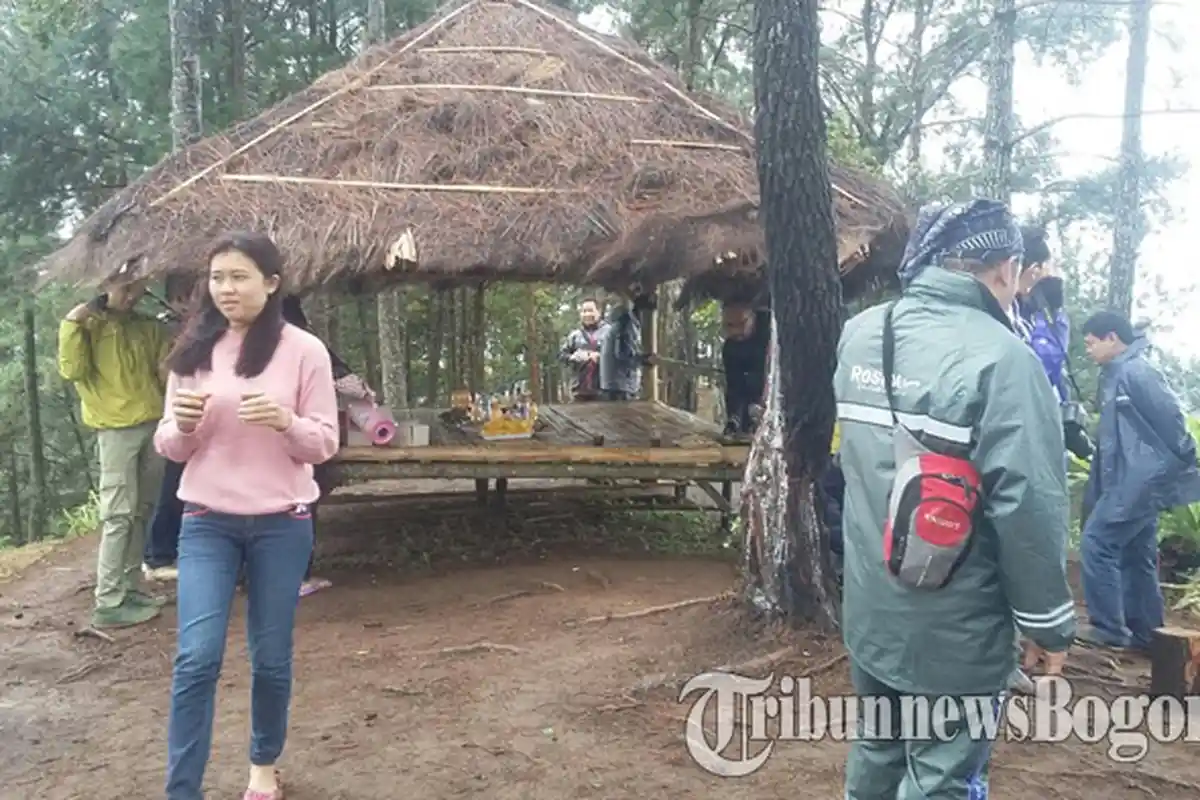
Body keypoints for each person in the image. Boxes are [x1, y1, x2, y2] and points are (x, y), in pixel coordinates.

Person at [834, 199, 1075, 799]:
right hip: (956, 626)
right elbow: (1029, 508)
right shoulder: (1006, 361)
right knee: (943, 772)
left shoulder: (862, 334)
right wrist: (1048, 621)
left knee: (879, 744)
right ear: (1004, 269)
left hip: (870, 605)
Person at [155, 231, 338, 800]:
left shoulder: (304, 350)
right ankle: (182, 789)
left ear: (272, 282)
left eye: (238, 277)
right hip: (207, 519)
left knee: (270, 655)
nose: (226, 289)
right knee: (196, 657)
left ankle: (263, 763)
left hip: (282, 523)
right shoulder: (192, 352)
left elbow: (324, 444)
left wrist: (286, 421)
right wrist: (182, 425)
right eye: (216, 278)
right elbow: (169, 446)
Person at [1078, 310, 1200, 652]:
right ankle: (1148, 635)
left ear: (1112, 338)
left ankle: (1109, 630)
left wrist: (1167, 470)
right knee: (1136, 553)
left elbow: (1173, 422)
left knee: (1096, 542)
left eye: (1091, 343)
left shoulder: (1138, 372)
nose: (1088, 351)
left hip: (1139, 482)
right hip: (1130, 480)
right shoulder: (1116, 374)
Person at [58, 276, 172, 628]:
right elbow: (72, 369)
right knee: (118, 514)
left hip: (151, 423)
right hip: (114, 429)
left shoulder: (148, 326)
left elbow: (164, 374)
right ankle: (108, 601)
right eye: (123, 288)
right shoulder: (84, 326)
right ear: (105, 284)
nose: (131, 295)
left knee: (142, 509)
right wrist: (75, 321)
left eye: (136, 287)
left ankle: (131, 586)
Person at [279, 294, 377, 598]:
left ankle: (256, 575)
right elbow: (350, 383)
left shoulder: (251, 343)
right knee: (303, 504)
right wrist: (368, 395)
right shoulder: (307, 344)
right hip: (304, 436)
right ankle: (297, 576)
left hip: (263, 439)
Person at [143, 274, 199, 583]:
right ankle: (158, 553)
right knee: (173, 485)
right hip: (178, 417)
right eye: (182, 296)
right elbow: (166, 372)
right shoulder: (172, 331)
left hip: (198, 419)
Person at [719, 303, 770, 436]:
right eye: (730, 325)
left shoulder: (771, 331)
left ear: (753, 317)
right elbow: (734, 386)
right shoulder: (731, 347)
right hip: (751, 399)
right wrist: (733, 418)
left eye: (742, 324)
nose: (736, 331)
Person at [599, 287, 654, 401]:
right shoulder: (626, 325)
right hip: (620, 386)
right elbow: (623, 355)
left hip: (613, 384)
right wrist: (644, 360)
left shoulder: (621, 322)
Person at [558, 297, 609, 401]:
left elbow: (620, 356)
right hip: (579, 391)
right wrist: (573, 357)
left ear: (598, 312)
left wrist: (601, 357)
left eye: (590, 310)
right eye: (584, 311)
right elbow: (562, 355)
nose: (587, 314)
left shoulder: (609, 333)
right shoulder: (575, 336)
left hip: (605, 390)